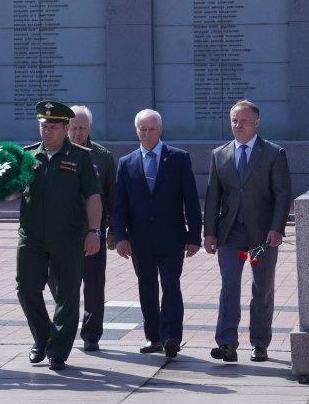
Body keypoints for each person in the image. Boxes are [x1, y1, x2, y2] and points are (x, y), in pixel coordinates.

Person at [11, 100, 102, 371]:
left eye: (53, 126)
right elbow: (12, 193)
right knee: (26, 288)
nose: (47, 131)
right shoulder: (27, 156)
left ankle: (58, 351)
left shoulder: (81, 157)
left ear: (65, 128)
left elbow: (93, 196)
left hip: (68, 237)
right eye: (44, 126)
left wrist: (94, 231)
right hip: (31, 237)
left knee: (67, 296)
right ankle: (43, 336)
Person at [204, 100, 292, 363]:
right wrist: (210, 232)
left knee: (261, 289)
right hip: (230, 233)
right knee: (229, 286)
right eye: (234, 120)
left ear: (256, 123)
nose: (238, 125)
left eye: (243, 121)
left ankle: (260, 344)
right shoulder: (219, 154)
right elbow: (213, 197)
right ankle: (227, 343)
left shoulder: (273, 153)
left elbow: (282, 194)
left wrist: (277, 228)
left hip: (263, 235)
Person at [112, 109, 202, 358]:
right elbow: (119, 204)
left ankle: (171, 337)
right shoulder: (126, 162)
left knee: (171, 286)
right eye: (143, 129)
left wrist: (194, 236)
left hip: (172, 237)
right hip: (139, 238)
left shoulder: (179, 158)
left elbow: (191, 200)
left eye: (152, 129)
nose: (147, 133)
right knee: (147, 288)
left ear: (160, 130)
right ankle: (153, 337)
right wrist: (121, 236)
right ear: (136, 131)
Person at [46, 105, 116, 352]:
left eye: (82, 128)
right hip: (59, 234)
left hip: (91, 232)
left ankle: (91, 334)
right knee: (56, 282)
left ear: (90, 128)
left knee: (94, 285)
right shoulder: (53, 152)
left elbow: (112, 196)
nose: (77, 133)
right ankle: (68, 318)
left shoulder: (102, 157)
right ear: (66, 128)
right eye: (73, 128)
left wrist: (110, 231)